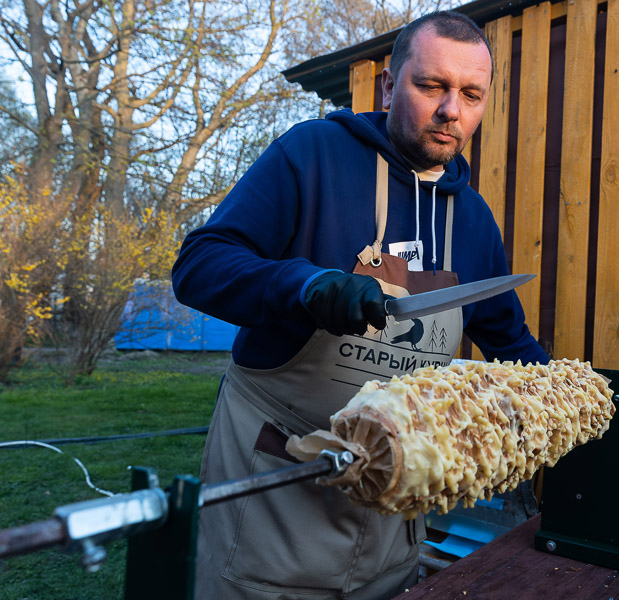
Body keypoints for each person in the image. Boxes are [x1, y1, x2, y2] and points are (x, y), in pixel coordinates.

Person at [172, 10, 548, 600]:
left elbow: (511, 343)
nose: (452, 110)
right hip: (280, 488)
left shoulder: (473, 221)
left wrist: (581, 401)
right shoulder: (312, 154)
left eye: (471, 94)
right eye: (431, 86)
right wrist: (304, 286)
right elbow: (199, 266)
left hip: (393, 509)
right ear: (389, 84)